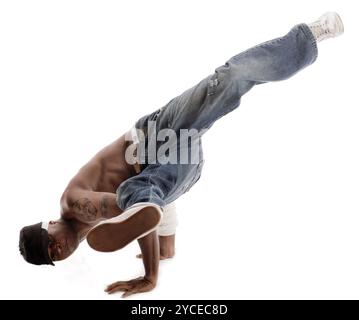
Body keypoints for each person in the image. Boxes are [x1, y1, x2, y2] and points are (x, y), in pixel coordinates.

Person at [19, 12, 344, 297]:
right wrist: (152, 270)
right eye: (52, 256)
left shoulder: (73, 204)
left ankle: (311, 35)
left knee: (227, 80)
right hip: (167, 172)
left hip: (154, 137)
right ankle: (164, 233)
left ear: (50, 224)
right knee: (151, 210)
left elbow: (126, 207)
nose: (56, 249)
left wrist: (156, 248)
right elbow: (138, 214)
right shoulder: (97, 227)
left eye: (49, 241)